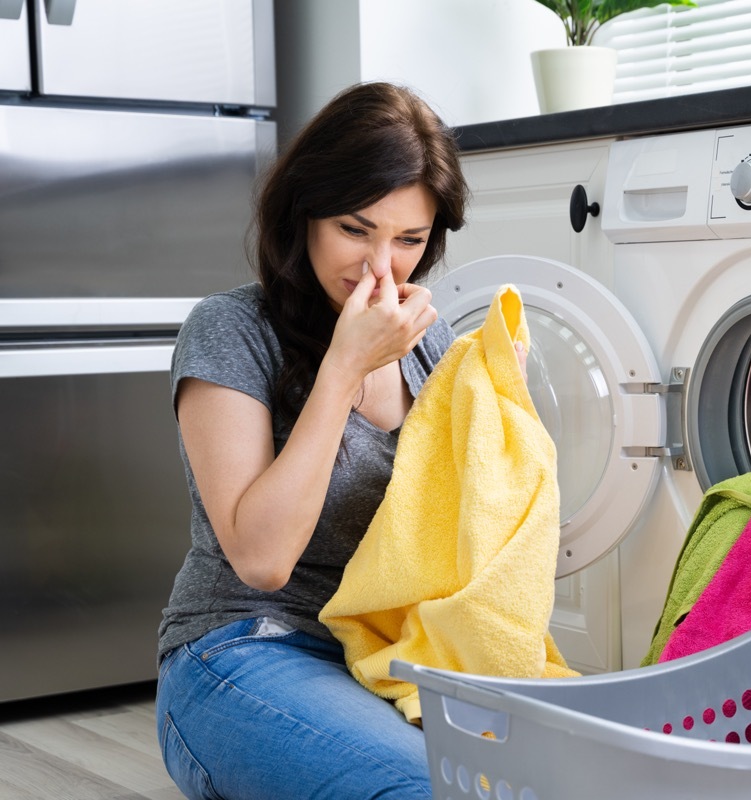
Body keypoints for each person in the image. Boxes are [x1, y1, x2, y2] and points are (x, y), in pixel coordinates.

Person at [154, 82, 501, 799]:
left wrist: (498, 413)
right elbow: (261, 559)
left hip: (389, 660)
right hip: (245, 650)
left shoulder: (428, 342)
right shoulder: (230, 332)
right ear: (303, 214)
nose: (381, 266)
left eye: (408, 240)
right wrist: (345, 367)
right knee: (432, 790)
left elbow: (468, 533)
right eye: (355, 229)